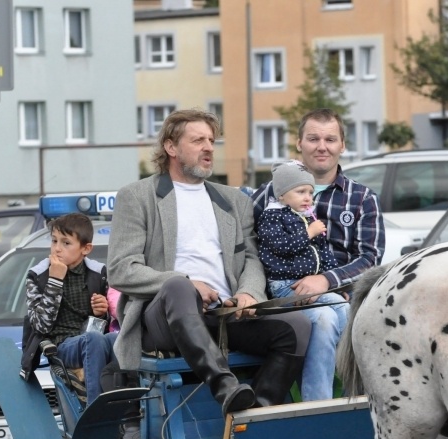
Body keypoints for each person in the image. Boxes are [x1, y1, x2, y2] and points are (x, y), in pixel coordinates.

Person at [107, 109, 311, 417]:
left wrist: (249, 293)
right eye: (198, 140)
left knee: (297, 327)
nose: (208, 148)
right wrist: (189, 283)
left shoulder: (235, 200)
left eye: (212, 141)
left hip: (225, 315)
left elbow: (252, 258)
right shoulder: (136, 196)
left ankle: (256, 413)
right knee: (178, 286)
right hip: (164, 319)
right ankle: (225, 387)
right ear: (171, 147)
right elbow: (121, 269)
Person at [252, 108, 385, 399]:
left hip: (343, 296)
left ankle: (359, 404)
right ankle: (318, 406)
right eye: (313, 139)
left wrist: (327, 280)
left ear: (342, 145)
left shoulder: (362, 198)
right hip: (286, 296)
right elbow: (250, 246)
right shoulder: (270, 194)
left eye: (330, 139)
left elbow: (370, 258)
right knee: (323, 320)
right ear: (299, 143)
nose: (322, 147)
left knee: (351, 318)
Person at [257, 160, 348, 401]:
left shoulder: (306, 217)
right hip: (285, 287)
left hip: (312, 286)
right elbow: (281, 247)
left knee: (345, 308)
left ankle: (350, 382)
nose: (307, 197)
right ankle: (318, 399)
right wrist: (309, 232)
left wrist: (336, 284)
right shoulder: (272, 217)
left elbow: (324, 256)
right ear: (282, 195)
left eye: (310, 192)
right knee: (328, 315)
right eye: (300, 192)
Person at [22, 213, 116, 404]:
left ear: (86, 249)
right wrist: (55, 280)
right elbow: (41, 326)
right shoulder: (37, 275)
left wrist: (102, 312)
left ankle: (131, 408)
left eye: (66, 243)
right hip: (61, 346)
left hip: (92, 342)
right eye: (54, 241)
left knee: (118, 339)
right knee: (93, 339)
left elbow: (109, 322)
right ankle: (96, 408)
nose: (57, 248)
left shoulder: (99, 273)